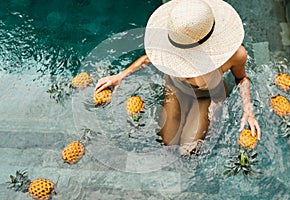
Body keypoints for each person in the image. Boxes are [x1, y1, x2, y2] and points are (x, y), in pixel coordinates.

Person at [94, 0, 261, 154]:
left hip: (207, 96)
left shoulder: (235, 54)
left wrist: (248, 109)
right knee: (167, 143)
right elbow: (148, 58)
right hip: (176, 89)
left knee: (189, 151)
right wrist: (120, 75)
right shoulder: (170, 43)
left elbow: (242, 79)